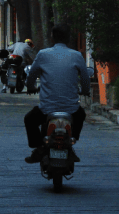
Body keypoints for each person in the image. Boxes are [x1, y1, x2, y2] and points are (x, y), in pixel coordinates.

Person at [23, 25, 91, 163]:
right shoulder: (77, 55)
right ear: (68, 38)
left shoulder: (42, 54)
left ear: (52, 37)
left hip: (47, 108)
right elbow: (85, 79)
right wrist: (85, 91)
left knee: (29, 119)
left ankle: (39, 147)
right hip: (71, 109)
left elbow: (31, 77)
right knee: (81, 115)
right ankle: (71, 142)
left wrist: (31, 87)